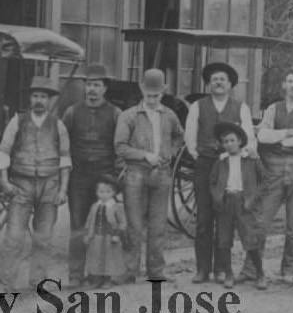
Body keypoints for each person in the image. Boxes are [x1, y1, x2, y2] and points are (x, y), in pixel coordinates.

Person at [247, 67, 293, 284]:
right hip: (274, 169)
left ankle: (289, 270)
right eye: (289, 81)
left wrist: (278, 139)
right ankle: (252, 268)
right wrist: (288, 133)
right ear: (284, 84)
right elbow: (262, 134)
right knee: (261, 221)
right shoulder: (273, 108)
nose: (292, 85)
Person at [184, 62, 256, 284]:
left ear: (230, 84)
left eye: (222, 79)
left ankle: (223, 270)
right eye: (214, 79)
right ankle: (202, 269)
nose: (218, 82)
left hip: (230, 167)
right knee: (204, 220)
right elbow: (190, 139)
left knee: (225, 220)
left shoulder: (240, 107)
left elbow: (249, 139)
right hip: (205, 166)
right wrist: (201, 159)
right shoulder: (198, 106)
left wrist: (233, 159)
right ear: (208, 83)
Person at [0, 76, 71, 289]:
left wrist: (63, 189)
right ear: (30, 98)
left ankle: (37, 281)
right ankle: (5, 283)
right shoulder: (17, 121)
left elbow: (65, 160)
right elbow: (4, 151)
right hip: (21, 183)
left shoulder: (58, 125)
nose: (39, 100)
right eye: (36, 95)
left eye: (43, 97)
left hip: (50, 185)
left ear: (49, 101)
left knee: (44, 237)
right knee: (14, 236)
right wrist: (4, 182)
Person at [115, 69, 184, 282]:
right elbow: (120, 147)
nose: (153, 100)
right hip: (135, 175)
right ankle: (130, 270)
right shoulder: (129, 116)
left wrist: (168, 155)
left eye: (157, 95)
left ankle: (156, 271)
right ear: (141, 90)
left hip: (161, 176)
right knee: (134, 225)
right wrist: (145, 155)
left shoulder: (169, 115)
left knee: (158, 225)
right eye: (149, 95)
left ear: (163, 92)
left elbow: (179, 138)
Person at [62, 63, 121, 288]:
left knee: (104, 228)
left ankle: (102, 274)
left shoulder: (115, 114)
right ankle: (76, 275)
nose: (92, 90)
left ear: (105, 88)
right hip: (78, 177)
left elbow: (120, 145)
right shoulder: (72, 112)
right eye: (88, 85)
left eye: (97, 85)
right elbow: (63, 144)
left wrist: (115, 180)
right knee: (78, 226)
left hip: (104, 178)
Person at [210, 122, 267, 290]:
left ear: (240, 141)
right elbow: (212, 182)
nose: (229, 144)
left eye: (232, 140)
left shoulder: (251, 160)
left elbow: (264, 181)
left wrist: (253, 199)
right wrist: (217, 197)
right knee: (224, 240)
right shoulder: (221, 162)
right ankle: (229, 274)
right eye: (225, 141)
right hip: (226, 202)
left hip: (244, 203)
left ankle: (260, 274)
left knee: (250, 239)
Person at [83, 174, 128, 289]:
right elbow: (89, 221)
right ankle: (96, 279)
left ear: (113, 192)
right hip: (96, 236)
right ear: (96, 192)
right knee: (96, 256)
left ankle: (108, 279)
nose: (104, 195)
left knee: (109, 258)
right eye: (101, 192)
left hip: (109, 236)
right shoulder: (94, 206)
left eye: (108, 192)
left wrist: (117, 235)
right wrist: (88, 234)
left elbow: (122, 223)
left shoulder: (116, 206)